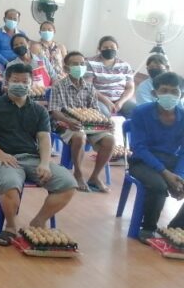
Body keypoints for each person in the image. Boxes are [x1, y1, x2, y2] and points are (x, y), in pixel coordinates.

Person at [0, 63, 76, 247]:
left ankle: (39, 221)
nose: (20, 85)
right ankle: (10, 227)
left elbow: (44, 138)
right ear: (6, 82)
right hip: (2, 160)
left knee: (68, 184)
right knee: (11, 184)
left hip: (32, 158)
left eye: (25, 81)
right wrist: (0, 154)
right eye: (16, 81)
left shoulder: (39, 110)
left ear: (31, 84)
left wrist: (45, 163)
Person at [126, 72, 184, 241]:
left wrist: (179, 176)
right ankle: (148, 228)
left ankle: (176, 229)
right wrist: (165, 173)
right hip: (142, 161)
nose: (169, 95)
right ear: (154, 93)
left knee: (179, 182)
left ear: (181, 94)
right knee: (159, 185)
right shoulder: (141, 112)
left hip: (170, 161)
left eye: (174, 91)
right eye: (164, 90)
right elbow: (139, 148)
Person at [49, 51, 117, 192]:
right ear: (66, 68)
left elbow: (94, 110)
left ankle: (95, 177)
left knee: (109, 140)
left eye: (81, 64)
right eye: (75, 64)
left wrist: (105, 122)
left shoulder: (89, 87)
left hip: (88, 125)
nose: (79, 67)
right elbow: (54, 111)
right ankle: (78, 173)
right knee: (80, 136)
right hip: (65, 124)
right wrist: (68, 121)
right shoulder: (58, 86)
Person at [86, 35, 137, 117]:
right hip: (99, 99)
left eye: (112, 47)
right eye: (105, 47)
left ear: (117, 48)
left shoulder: (125, 65)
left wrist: (121, 102)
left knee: (136, 111)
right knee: (104, 115)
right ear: (99, 49)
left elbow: (130, 88)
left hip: (120, 99)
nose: (109, 49)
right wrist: (106, 101)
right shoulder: (90, 63)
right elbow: (88, 87)